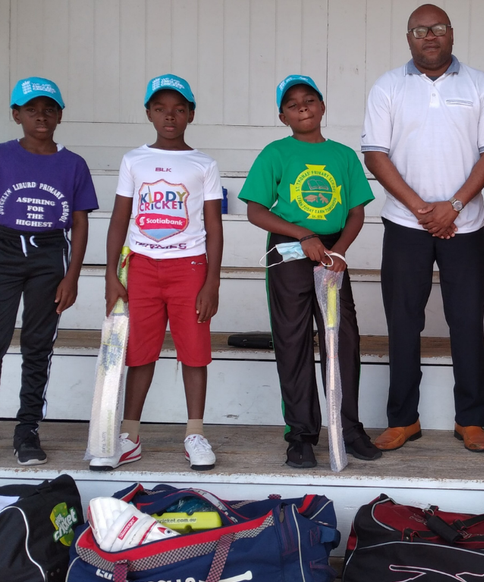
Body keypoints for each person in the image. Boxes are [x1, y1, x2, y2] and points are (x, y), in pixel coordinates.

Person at [362, 4, 484, 454]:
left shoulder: (478, 83)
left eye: (438, 29)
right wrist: (423, 208)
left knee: (466, 320)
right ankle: (403, 420)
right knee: (403, 320)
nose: (429, 36)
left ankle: (472, 420)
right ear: (409, 38)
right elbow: (375, 154)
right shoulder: (388, 86)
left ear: (451, 34)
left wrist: (455, 205)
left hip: (464, 224)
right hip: (406, 222)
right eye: (420, 30)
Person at [240, 75, 379, 469]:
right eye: (293, 103)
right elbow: (256, 210)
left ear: (322, 106)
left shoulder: (343, 156)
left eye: (310, 99)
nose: (302, 106)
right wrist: (303, 235)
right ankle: (301, 434)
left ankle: (348, 429)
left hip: (332, 253)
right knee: (293, 341)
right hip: (289, 252)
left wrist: (339, 251)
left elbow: (355, 211)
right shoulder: (275, 153)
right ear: (281, 115)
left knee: (342, 341)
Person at [91, 75, 223, 471]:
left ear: (191, 115)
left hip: (189, 266)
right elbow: (119, 219)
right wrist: (112, 273)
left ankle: (195, 433)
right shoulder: (134, 160)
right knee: (139, 351)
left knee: (194, 352)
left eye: (179, 109)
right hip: (142, 266)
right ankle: (129, 436)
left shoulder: (204, 164)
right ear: (148, 112)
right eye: (161, 108)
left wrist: (212, 281)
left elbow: (214, 227)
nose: (170, 116)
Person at [0, 77, 97, 466]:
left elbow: (81, 222)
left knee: (38, 345)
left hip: (49, 254)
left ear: (59, 116)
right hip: (4, 248)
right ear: (16, 115)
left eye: (49, 109)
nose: (41, 116)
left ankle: (27, 430)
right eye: (31, 109)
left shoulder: (72, 164)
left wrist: (72, 276)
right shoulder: (4, 155)